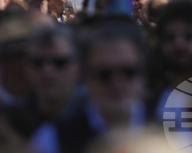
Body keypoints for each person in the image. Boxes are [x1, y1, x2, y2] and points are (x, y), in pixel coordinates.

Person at [57, 21, 152, 152]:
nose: (117, 83)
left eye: (128, 72)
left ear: (143, 74)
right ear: (85, 77)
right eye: (105, 74)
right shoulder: (55, 138)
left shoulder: (170, 129)